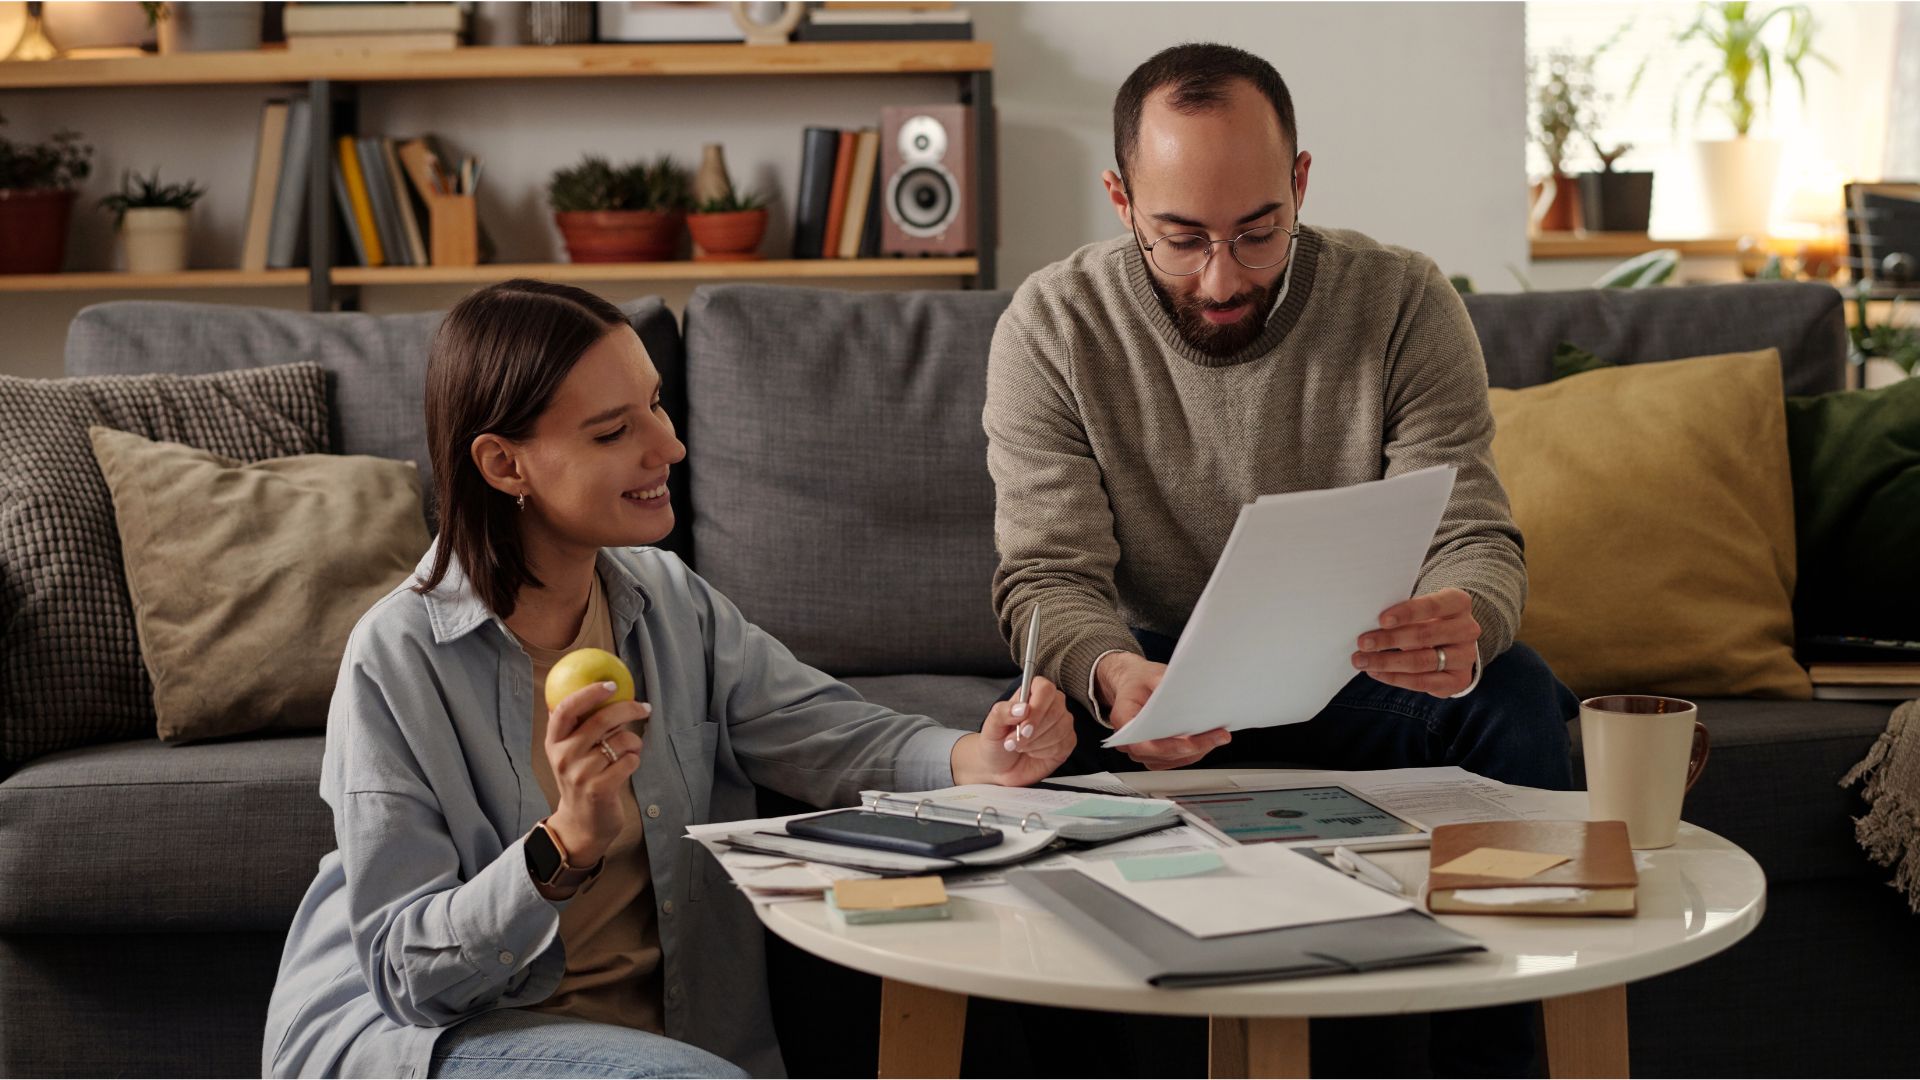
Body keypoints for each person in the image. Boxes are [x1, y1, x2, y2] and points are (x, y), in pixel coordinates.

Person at [263, 279, 1074, 1079]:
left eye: (655, 403)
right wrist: (565, 841)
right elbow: (409, 979)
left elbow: (824, 728)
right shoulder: (396, 658)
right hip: (445, 1039)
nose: (669, 447)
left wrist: (977, 757)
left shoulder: (667, 599)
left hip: (664, 1044)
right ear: (505, 463)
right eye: (614, 432)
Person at [981, 42, 1577, 1075]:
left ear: (1300, 183)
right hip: (1155, 677)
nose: (1223, 278)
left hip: (1356, 667)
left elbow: (1474, 536)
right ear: (1121, 199)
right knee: (1030, 750)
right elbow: (1047, 578)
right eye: (1182, 239)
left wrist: (1465, 619)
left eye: (1259, 232)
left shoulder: (1401, 301)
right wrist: (1113, 675)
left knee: (1515, 699)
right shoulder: (1052, 323)